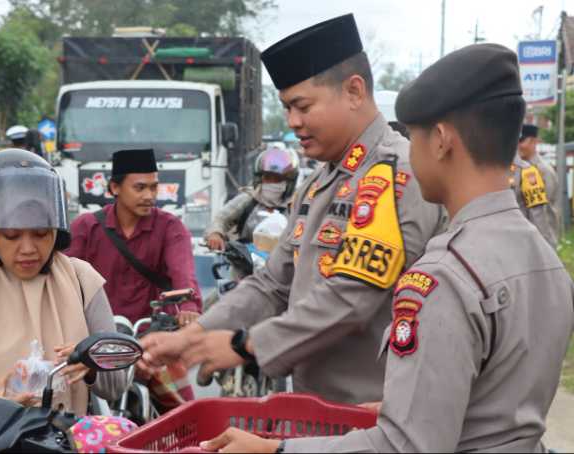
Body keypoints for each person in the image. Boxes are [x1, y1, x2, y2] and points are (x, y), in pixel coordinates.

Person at [201, 43, 574, 454]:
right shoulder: (546, 263)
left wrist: (276, 450)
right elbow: (496, 403)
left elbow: (405, 447)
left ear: (441, 141)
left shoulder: (445, 277)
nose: (407, 151)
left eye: (413, 137)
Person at [141, 14, 444, 405]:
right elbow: (273, 283)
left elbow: (352, 297)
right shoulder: (318, 183)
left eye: (302, 106)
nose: (293, 122)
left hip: (375, 412)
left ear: (354, 91)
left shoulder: (395, 173)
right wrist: (192, 335)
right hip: (315, 408)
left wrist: (246, 344)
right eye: (286, 108)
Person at [0, 148, 126, 414]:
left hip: (67, 434)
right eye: (11, 236)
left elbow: (115, 386)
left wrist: (89, 366)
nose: (28, 249)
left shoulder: (82, 280)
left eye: (41, 233)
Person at [67, 148, 202, 326]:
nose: (149, 196)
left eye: (154, 187)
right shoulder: (86, 227)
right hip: (98, 330)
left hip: (154, 329)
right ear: (115, 187)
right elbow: (65, 277)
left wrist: (189, 306)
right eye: (140, 188)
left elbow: (182, 272)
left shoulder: (171, 227)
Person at [204, 147, 299, 251]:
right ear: (260, 178)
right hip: (245, 258)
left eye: (277, 179)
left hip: (283, 258)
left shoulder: (297, 206)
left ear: (289, 182)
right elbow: (221, 218)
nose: (272, 182)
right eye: (268, 177)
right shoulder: (249, 198)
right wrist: (215, 234)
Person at [516, 123, 559, 246]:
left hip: (542, 239)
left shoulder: (543, 170)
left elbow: (543, 211)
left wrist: (544, 245)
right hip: (523, 239)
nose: (517, 145)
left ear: (534, 142)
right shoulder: (517, 169)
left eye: (521, 141)